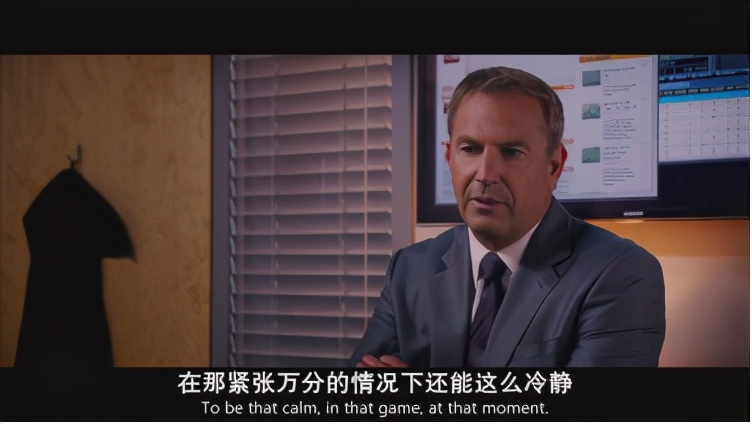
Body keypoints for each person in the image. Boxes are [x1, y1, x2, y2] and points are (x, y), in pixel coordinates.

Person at [350, 66, 666, 368]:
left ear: (554, 166)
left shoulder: (621, 273)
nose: (485, 174)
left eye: (512, 152)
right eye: (470, 149)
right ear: (449, 157)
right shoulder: (410, 268)